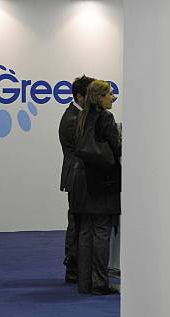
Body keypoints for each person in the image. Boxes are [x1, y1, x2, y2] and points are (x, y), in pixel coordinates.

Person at [70, 80, 121, 295]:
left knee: (86, 231)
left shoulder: (81, 116)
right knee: (101, 231)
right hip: (103, 181)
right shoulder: (105, 117)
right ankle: (100, 282)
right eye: (109, 94)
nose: (112, 97)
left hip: (84, 180)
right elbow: (116, 147)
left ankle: (85, 282)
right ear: (100, 97)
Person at [58, 75, 95, 283]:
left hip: (78, 175)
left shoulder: (77, 115)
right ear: (80, 96)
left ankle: (76, 266)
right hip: (77, 175)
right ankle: (72, 267)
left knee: (78, 221)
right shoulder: (73, 119)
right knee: (76, 223)